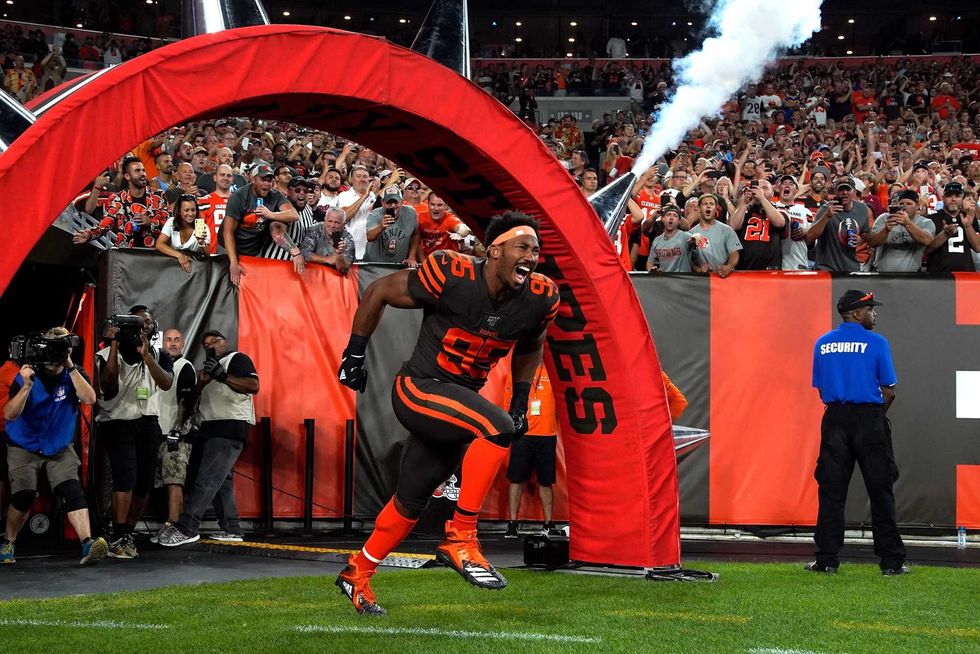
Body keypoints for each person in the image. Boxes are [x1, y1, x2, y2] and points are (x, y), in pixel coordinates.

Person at [335, 212, 560, 615]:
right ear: (494, 250)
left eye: (536, 250)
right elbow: (380, 291)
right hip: (419, 388)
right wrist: (354, 354)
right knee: (496, 427)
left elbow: (531, 344)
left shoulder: (539, 297)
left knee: (410, 502)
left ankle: (358, 571)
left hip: (453, 407)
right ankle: (460, 535)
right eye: (523, 247)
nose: (532, 256)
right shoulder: (453, 272)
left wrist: (521, 398)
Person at [810, 290, 907, 576]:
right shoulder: (877, 343)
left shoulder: (822, 343)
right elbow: (889, 391)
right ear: (855, 313)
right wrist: (874, 418)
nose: (874, 313)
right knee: (881, 490)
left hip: (835, 419)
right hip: (869, 420)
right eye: (869, 309)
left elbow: (820, 388)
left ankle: (826, 560)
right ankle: (891, 562)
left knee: (831, 491)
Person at [1, 328, 108, 565]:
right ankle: (8, 542)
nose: (54, 353)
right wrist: (27, 386)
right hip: (24, 445)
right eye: (51, 346)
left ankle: (87, 544)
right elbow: (10, 414)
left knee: (71, 490)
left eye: (60, 347)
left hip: (58, 446)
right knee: (24, 495)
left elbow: (90, 399)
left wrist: (69, 365)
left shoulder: (73, 374)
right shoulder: (27, 375)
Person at [157, 330, 259, 546]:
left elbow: (253, 386)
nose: (212, 345)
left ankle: (187, 527)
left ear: (225, 342)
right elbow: (193, 401)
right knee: (222, 482)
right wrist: (202, 383)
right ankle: (232, 528)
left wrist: (222, 375)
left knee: (207, 480)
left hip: (229, 426)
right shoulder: (207, 370)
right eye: (207, 344)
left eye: (215, 341)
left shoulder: (237, 359)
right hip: (211, 427)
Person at [95, 306, 174, 559]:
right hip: (118, 422)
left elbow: (165, 383)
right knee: (125, 478)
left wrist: (146, 356)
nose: (143, 326)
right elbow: (108, 387)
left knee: (144, 485)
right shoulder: (106, 353)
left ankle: (127, 532)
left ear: (154, 328)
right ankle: (117, 535)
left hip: (149, 423)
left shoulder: (160, 355)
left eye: (148, 322)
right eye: (136, 323)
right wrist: (116, 343)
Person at [502, 361, 560, 539]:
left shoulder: (554, 372)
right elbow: (508, 404)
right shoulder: (516, 373)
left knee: (546, 481)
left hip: (547, 434)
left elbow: (560, 406)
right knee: (516, 479)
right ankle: (512, 524)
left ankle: (548, 524)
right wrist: (511, 428)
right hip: (523, 435)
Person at [148, 329, 197, 538]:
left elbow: (186, 403)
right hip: (156, 432)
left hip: (174, 436)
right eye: (168, 340)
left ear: (183, 344)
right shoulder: (155, 366)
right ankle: (165, 526)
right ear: (162, 343)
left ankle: (174, 527)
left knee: (174, 480)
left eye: (177, 340)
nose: (173, 343)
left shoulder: (184, 367)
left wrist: (177, 430)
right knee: (159, 483)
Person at [220, 163, 300, 286]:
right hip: (228, 247)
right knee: (226, 284)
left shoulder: (275, 195)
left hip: (253, 249)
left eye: (269, 180)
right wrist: (234, 263)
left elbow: (294, 215)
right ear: (253, 179)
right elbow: (228, 232)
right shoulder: (239, 196)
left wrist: (270, 214)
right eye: (263, 180)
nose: (266, 184)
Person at [73, 158, 171, 249]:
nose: (142, 174)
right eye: (137, 171)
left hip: (153, 254)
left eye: (143, 170)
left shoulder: (159, 195)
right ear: (127, 176)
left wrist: (150, 222)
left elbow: (170, 225)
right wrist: (89, 235)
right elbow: (104, 226)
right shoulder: (117, 199)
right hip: (125, 256)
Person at [806, 178, 871, 272]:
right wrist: (827, 216)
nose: (844, 192)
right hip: (826, 268)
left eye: (848, 189)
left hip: (851, 267)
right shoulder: (825, 209)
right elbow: (810, 237)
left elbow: (866, 234)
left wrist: (860, 240)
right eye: (841, 189)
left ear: (854, 192)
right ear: (835, 192)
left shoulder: (862, 209)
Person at [867, 190, 935, 272]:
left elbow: (927, 240)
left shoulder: (925, 222)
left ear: (917, 206)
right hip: (882, 276)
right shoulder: (884, 218)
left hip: (912, 277)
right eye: (901, 204)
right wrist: (886, 230)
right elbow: (872, 243)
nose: (904, 207)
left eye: (909, 204)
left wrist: (908, 224)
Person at [925, 182, 980, 273]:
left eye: (957, 196)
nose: (953, 199)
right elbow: (926, 250)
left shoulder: (969, 217)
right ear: (943, 198)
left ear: (962, 199)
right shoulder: (931, 219)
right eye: (949, 195)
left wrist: (968, 226)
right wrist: (944, 235)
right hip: (938, 274)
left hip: (965, 274)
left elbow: (978, 247)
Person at [362, 187, 420, 267]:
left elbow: (415, 235)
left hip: (398, 266)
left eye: (396, 202)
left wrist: (412, 256)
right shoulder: (375, 215)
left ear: (402, 202)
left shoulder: (411, 213)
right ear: (382, 203)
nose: (393, 206)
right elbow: (369, 237)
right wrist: (381, 226)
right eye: (389, 202)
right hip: (374, 266)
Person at [689, 194, 741, 277]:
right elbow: (688, 258)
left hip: (725, 278)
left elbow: (734, 253)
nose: (708, 206)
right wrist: (698, 269)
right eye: (705, 204)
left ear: (716, 208)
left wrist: (729, 266)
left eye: (711, 204)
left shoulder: (727, 230)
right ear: (699, 208)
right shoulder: (691, 233)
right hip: (703, 280)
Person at [155, 195, 210, 272]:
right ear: (180, 212)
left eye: (193, 210)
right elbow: (159, 244)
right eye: (186, 210)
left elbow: (208, 254)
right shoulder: (171, 222)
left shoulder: (201, 226)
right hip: (174, 266)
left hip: (194, 269)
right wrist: (180, 256)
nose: (190, 214)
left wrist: (201, 242)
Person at [301, 207, 355, 274]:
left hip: (335, 279)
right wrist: (327, 259)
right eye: (330, 221)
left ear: (343, 224)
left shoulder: (348, 239)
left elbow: (344, 270)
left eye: (337, 223)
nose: (332, 225)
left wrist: (339, 255)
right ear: (324, 220)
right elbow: (304, 253)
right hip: (313, 275)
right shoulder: (315, 230)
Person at [647, 205, 694, 272]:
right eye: (669, 214)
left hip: (683, 280)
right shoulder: (657, 240)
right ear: (663, 218)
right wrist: (652, 270)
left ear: (679, 221)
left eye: (675, 216)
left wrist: (697, 237)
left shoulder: (686, 237)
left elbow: (698, 239)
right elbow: (649, 262)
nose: (671, 217)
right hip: (665, 280)